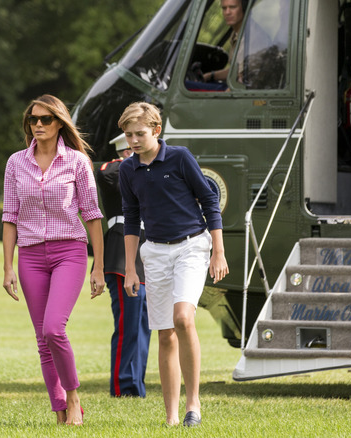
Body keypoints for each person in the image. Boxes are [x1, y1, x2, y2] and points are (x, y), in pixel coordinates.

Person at [117, 102, 228, 427]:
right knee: (165, 334)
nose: (133, 141)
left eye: (139, 134)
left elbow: (209, 200)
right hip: (154, 252)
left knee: (183, 318)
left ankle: (193, 404)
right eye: (128, 135)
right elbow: (132, 217)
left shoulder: (180, 157)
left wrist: (218, 252)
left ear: (156, 130)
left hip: (192, 247)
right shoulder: (127, 169)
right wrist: (130, 268)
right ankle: (171, 417)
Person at [2, 94, 106, 426]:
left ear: (59, 122)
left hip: (69, 253)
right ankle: (59, 410)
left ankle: (73, 398)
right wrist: (7, 267)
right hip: (30, 256)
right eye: (33, 119)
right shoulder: (16, 162)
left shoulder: (76, 162)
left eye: (46, 119)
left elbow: (92, 215)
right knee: (41, 339)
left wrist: (99, 266)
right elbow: (9, 217)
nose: (38, 125)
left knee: (53, 329)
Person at [95, 133, 151, 398]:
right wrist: (132, 159)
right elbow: (104, 173)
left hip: (147, 253)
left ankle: (136, 386)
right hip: (119, 254)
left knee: (143, 325)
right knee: (128, 324)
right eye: (133, 148)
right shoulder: (113, 170)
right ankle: (122, 386)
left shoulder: (145, 174)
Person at [203, 0, 247, 83]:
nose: (227, 12)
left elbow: (241, 79)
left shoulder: (249, 37)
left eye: (232, 7)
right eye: (224, 8)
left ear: (243, 8)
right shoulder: (236, 33)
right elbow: (236, 71)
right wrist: (210, 76)